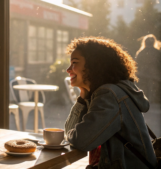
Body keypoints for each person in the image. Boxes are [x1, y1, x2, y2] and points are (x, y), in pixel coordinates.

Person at [64, 37, 158, 168]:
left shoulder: (109, 95)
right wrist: (82, 99)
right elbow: (69, 134)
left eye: (74, 62)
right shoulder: (105, 92)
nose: (68, 69)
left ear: (93, 65)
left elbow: (81, 141)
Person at [135, 34, 161, 104]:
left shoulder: (140, 52)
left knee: (144, 94)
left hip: (143, 76)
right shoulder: (158, 53)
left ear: (145, 42)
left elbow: (136, 66)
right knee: (154, 96)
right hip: (155, 77)